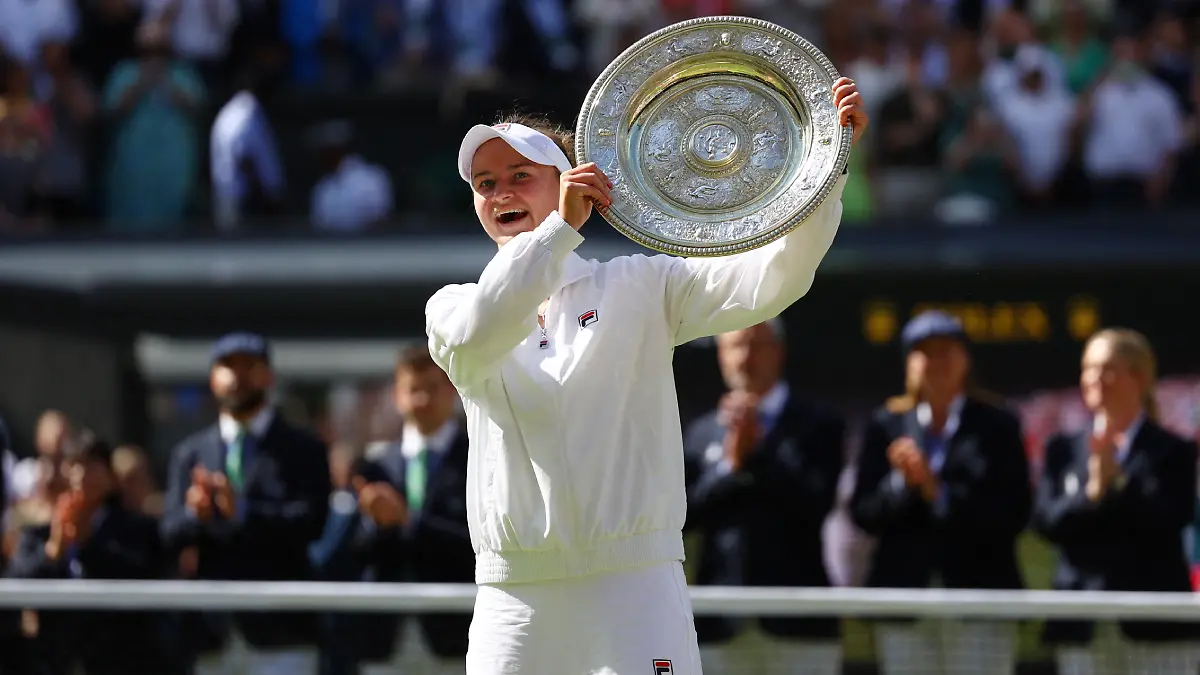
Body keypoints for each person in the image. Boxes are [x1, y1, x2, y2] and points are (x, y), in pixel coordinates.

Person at [427, 79, 867, 674]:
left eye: (520, 175)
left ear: (568, 183)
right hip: (516, 595)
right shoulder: (453, 306)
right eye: (486, 184)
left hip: (634, 586)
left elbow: (773, 277)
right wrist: (558, 232)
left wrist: (828, 167)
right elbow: (484, 330)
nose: (500, 192)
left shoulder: (640, 284)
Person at [850, 310, 1031, 675]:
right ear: (908, 362)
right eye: (925, 352)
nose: (935, 362)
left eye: (946, 351)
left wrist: (939, 493)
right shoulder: (886, 424)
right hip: (904, 602)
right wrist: (903, 483)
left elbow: (1014, 512)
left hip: (980, 600)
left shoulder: (997, 424)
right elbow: (864, 512)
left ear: (965, 359)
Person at [161, 331, 331, 675]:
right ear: (212, 378)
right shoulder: (190, 453)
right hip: (212, 633)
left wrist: (240, 511)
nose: (236, 376)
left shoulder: (303, 448)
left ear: (267, 375)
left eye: (248, 366)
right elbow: (170, 532)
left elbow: (312, 522)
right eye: (227, 366)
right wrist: (199, 514)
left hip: (281, 632)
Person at [683, 319, 845, 675]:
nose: (745, 357)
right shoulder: (699, 432)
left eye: (756, 345)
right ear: (721, 356)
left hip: (799, 623)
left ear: (779, 351)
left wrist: (753, 457)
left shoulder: (819, 423)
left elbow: (815, 504)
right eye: (735, 346)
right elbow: (683, 516)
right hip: (719, 624)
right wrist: (730, 466)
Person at [1035, 328, 1200, 675]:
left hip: (1156, 627)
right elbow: (1047, 522)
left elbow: (1170, 516)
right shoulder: (1062, 449)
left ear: (1139, 377)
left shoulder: (1173, 451)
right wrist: (1092, 491)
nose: (1095, 378)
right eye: (1088, 368)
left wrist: (1117, 483)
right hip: (1082, 624)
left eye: (1107, 368)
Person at [352, 343, 473, 675]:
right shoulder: (375, 465)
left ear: (452, 391)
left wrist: (407, 520)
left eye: (432, 388)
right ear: (397, 395)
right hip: (386, 637)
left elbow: (477, 542)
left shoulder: (476, 458)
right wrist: (376, 523)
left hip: (456, 633)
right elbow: (353, 550)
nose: (422, 400)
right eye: (413, 389)